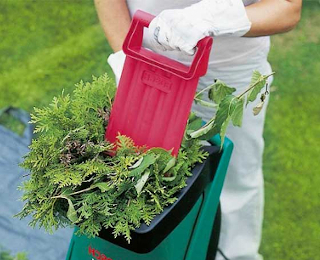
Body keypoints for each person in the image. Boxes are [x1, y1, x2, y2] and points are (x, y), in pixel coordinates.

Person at [94, 1, 302, 259]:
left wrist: (213, 17)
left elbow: (287, 7)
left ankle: (235, 254)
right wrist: (124, 54)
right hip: (148, 59)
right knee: (143, 178)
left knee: (235, 178)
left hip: (230, 69)